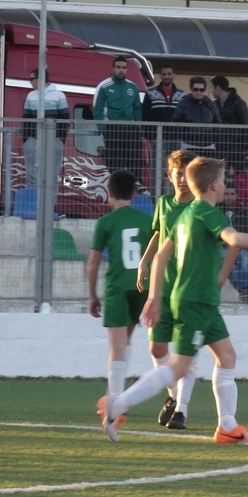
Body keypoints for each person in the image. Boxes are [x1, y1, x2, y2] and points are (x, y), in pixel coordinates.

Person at [102, 157, 248, 443]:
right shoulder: (209, 213)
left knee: (227, 356)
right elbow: (233, 239)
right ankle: (118, 404)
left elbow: (160, 255)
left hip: (199, 300)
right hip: (195, 301)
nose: (226, 185)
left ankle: (227, 426)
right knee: (179, 367)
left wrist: (154, 297)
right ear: (214, 185)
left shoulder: (186, 213)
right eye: (224, 180)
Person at [135, 150, 237, 430]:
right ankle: (172, 395)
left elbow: (233, 242)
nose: (181, 179)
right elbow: (160, 235)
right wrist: (144, 262)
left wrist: (220, 277)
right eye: (176, 174)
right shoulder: (164, 204)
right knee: (158, 348)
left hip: (189, 290)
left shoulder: (202, 207)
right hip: (164, 287)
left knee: (187, 355)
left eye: (185, 174)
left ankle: (181, 409)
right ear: (169, 176)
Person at [87, 170, 154, 430]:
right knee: (126, 341)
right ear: (134, 194)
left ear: (109, 193)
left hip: (116, 286)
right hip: (142, 286)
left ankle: (114, 404)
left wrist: (93, 295)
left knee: (116, 345)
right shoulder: (147, 220)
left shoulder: (105, 222)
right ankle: (115, 397)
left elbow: (93, 264)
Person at [94, 56, 144, 182]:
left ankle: (134, 189)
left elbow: (137, 109)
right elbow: (97, 110)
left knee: (135, 166)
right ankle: (117, 190)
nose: (121, 70)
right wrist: (102, 128)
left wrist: (138, 127)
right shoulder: (104, 86)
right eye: (118, 67)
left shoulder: (133, 87)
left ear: (127, 70)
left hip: (130, 130)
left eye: (123, 67)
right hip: (112, 130)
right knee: (115, 167)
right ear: (113, 69)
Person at [21, 68, 69, 192]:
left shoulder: (59, 95)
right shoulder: (31, 96)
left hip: (53, 141)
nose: (30, 82)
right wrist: (27, 140)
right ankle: (33, 203)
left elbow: (65, 120)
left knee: (51, 178)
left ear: (40, 79)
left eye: (32, 79)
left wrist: (59, 140)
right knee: (32, 177)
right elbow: (26, 119)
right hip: (34, 141)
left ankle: (50, 204)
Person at [217, 181, 248, 304]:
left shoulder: (242, 211)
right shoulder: (216, 210)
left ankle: (245, 290)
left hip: (239, 245)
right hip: (219, 246)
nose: (229, 197)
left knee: (246, 258)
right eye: (226, 194)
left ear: (236, 195)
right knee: (226, 259)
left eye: (232, 194)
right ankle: (245, 290)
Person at [142, 64, 185, 168]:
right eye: (164, 74)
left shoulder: (182, 95)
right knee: (156, 169)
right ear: (160, 75)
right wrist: (151, 138)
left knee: (177, 169)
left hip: (177, 139)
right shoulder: (150, 93)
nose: (166, 76)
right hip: (158, 140)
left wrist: (183, 137)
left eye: (169, 74)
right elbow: (145, 117)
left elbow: (184, 117)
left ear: (174, 75)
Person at [210, 76, 248, 172]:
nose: (211, 91)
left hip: (237, 146)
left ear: (217, 88)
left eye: (212, 87)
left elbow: (246, 123)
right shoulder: (214, 104)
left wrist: (244, 146)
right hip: (220, 147)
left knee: (239, 175)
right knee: (221, 174)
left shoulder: (238, 103)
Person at [172, 76, 221, 154]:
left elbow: (218, 123)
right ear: (191, 89)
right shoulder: (183, 103)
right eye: (195, 89)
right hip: (188, 143)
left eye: (201, 90)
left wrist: (213, 137)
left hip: (208, 144)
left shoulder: (210, 104)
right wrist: (186, 130)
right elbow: (175, 123)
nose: (198, 92)